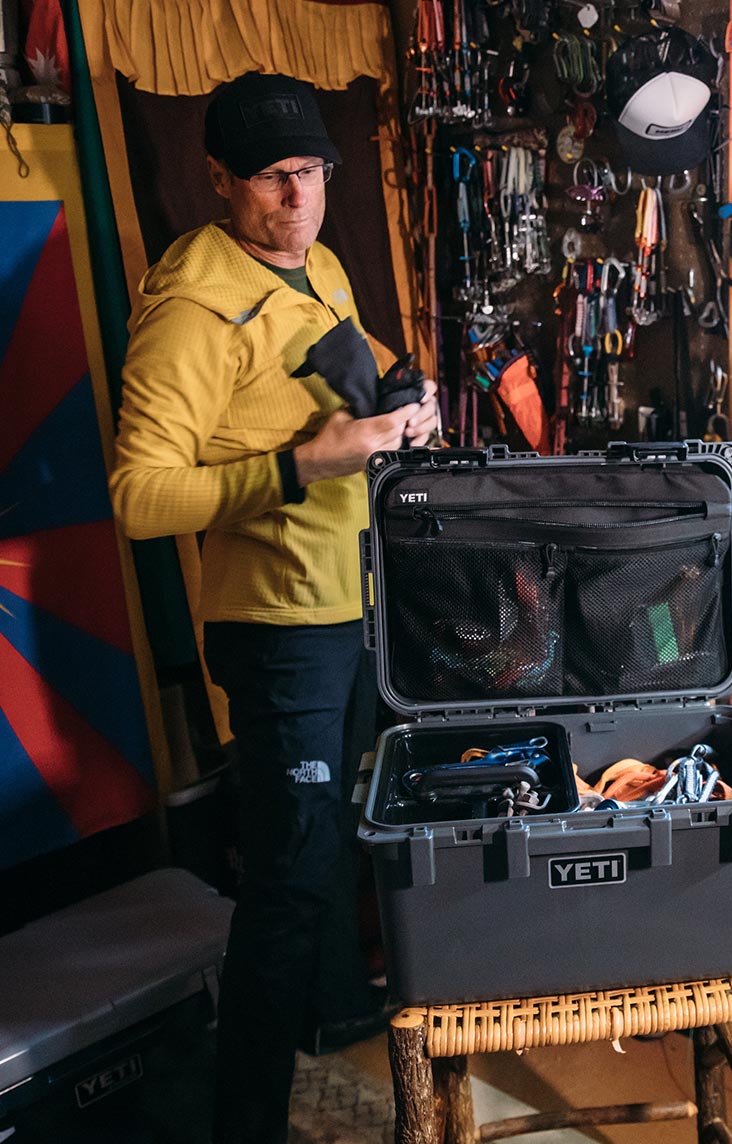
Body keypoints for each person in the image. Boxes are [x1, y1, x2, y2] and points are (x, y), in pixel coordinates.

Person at [109, 72, 438, 1144]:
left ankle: (334, 1017)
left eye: (314, 174)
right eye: (272, 179)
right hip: (276, 628)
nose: (299, 199)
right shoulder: (188, 311)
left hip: (353, 607)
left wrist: (405, 398)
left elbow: (349, 365)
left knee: (342, 837)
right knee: (290, 880)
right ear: (218, 180)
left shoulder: (320, 262)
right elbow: (140, 496)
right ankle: (244, 1122)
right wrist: (299, 467)